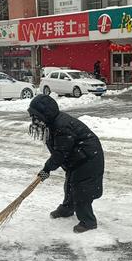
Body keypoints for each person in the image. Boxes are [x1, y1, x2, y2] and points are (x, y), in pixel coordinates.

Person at [28, 95, 104, 233]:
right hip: (78, 158)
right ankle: (67, 208)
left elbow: (60, 153)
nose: (34, 120)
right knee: (70, 184)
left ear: (45, 114)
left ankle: (88, 221)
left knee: (82, 191)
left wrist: (46, 170)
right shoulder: (52, 123)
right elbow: (59, 151)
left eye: (36, 116)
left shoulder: (61, 126)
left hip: (89, 159)